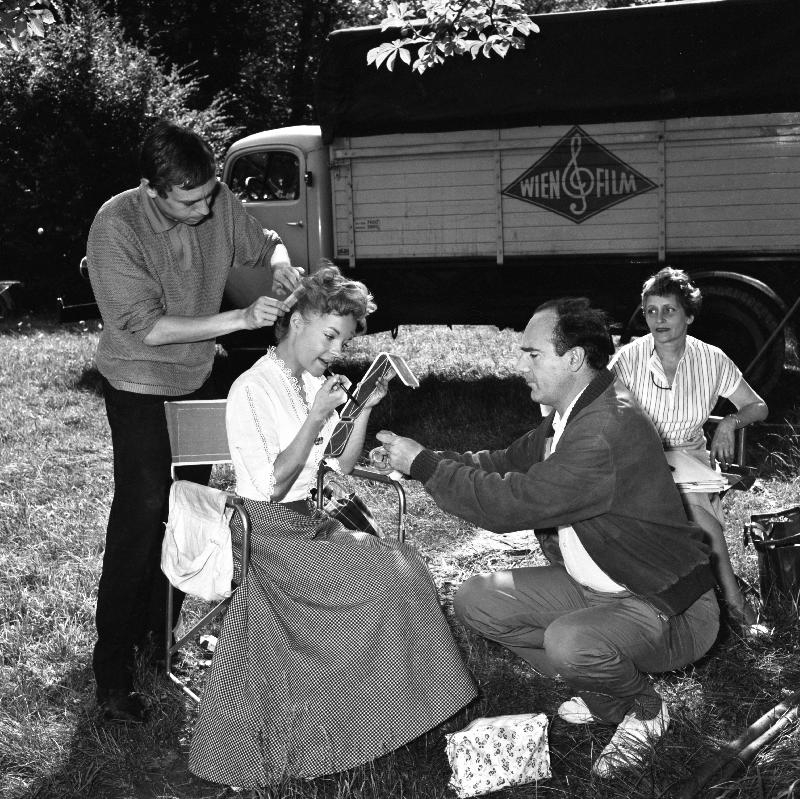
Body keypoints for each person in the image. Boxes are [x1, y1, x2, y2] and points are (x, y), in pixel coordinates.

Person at [376, 297, 719, 777]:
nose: (521, 366)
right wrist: (427, 459)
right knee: (478, 600)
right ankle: (603, 686)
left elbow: (509, 503)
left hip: (666, 607)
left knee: (567, 643)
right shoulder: (574, 413)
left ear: (575, 358)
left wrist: (425, 465)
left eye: (532, 354)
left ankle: (644, 709)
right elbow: (503, 464)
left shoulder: (602, 429)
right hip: (600, 589)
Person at [188, 265, 477, 787]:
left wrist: (360, 406)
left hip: (313, 523)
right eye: (329, 335)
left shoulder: (312, 383)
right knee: (390, 573)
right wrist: (317, 416)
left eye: (342, 340)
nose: (333, 350)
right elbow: (272, 483)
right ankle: (376, 719)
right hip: (271, 536)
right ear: (296, 321)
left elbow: (337, 468)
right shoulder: (251, 387)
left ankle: (387, 714)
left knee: (401, 569)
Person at [86, 120, 302, 722]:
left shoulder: (214, 198)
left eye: (210, 194)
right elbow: (148, 327)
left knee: (185, 513)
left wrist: (280, 264)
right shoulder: (116, 227)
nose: (206, 207)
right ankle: (112, 672)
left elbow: (265, 242)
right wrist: (237, 321)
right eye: (190, 200)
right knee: (141, 512)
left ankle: (157, 643)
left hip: (195, 379)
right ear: (153, 189)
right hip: (139, 384)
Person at [611, 267, 768, 628]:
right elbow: (600, 406)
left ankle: (728, 602)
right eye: (651, 311)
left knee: (701, 520)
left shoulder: (711, 359)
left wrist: (730, 422)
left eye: (669, 310)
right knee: (700, 522)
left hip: (691, 457)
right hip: (641, 456)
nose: (659, 319)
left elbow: (757, 405)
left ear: (689, 315)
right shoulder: (629, 358)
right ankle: (728, 602)